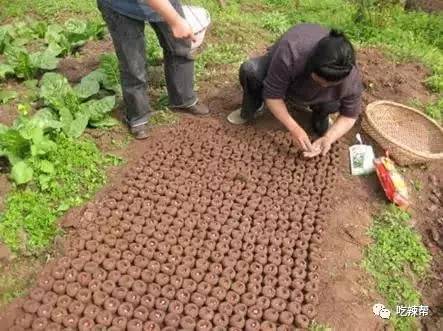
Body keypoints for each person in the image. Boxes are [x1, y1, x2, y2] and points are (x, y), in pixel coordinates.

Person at [227, 23, 363, 158]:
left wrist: (329, 138)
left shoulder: (351, 77)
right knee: (251, 71)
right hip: (285, 78)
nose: (323, 86)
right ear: (311, 65)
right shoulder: (292, 51)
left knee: (332, 103)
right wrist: (295, 129)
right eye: (319, 81)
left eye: (330, 84)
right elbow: (272, 94)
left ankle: (320, 116)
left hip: (316, 95)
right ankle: (254, 106)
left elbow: (349, 115)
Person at [97, 0, 210, 139]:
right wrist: (176, 21)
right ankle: (138, 117)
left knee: (180, 48)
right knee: (133, 65)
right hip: (121, 5)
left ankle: (183, 99)